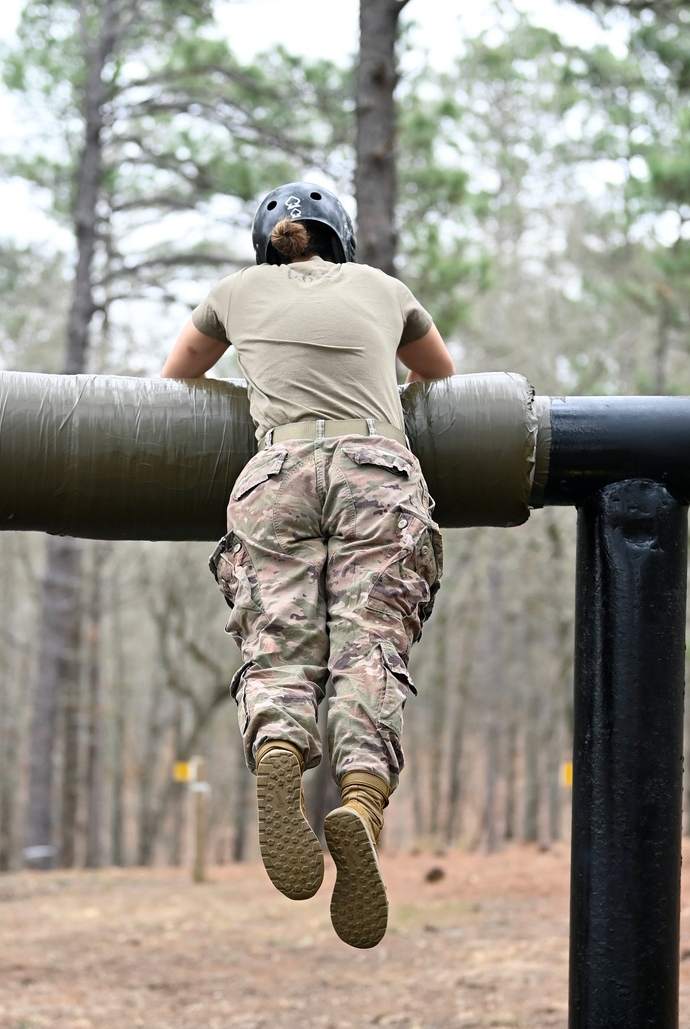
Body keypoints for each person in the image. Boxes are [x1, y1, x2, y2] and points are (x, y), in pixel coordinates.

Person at [161, 182, 454, 949]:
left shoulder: (235, 291)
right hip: (376, 470)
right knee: (370, 644)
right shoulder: (384, 289)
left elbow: (177, 380)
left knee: (278, 642)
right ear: (342, 239)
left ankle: (279, 746)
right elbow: (440, 377)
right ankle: (360, 802)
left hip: (276, 470)